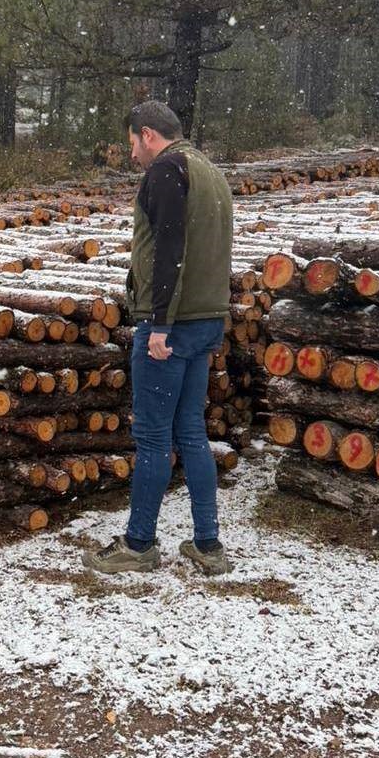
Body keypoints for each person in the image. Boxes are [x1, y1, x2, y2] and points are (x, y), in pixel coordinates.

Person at [83, 101, 235, 576]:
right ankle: (208, 546)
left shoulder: (167, 171)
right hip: (207, 318)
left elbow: (170, 246)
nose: (133, 156)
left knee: (152, 436)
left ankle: (139, 543)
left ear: (148, 135)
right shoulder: (210, 171)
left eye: (132, 144)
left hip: (171, 323)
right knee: (192, 431)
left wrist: (160, 325)